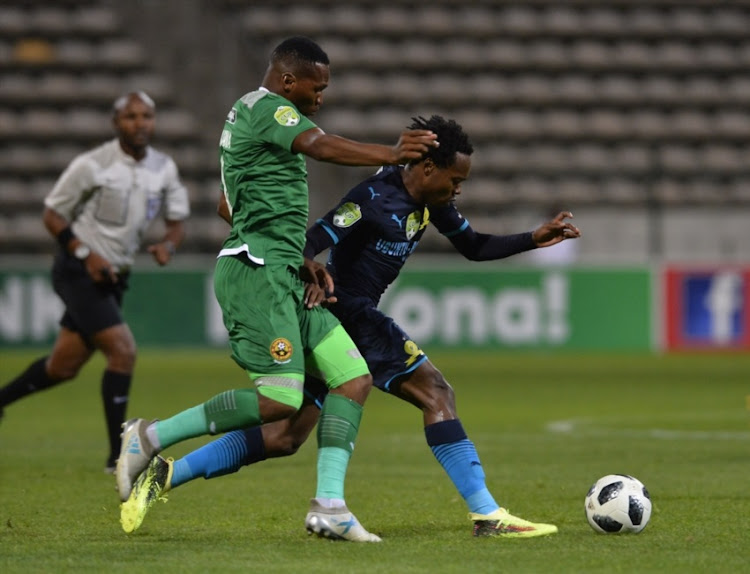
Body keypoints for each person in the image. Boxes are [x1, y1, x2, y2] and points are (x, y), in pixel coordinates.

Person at [121, 115, 581, 538]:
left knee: (285, 436)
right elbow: (312, 239)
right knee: (435, 392)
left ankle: (165, 474)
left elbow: (475, 246)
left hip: (344, 318)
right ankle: (486, 513)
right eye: (455, 179)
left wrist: (533, 238)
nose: (457, 190)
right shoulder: (372, 198)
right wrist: (310, 270)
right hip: (348, 313)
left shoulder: (431, 200)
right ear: (425, 170)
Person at [115, 36, 438, 542]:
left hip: (285, 270)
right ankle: (150, 437)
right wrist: (392, 155)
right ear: (289, 80)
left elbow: (229, 204)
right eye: (318, 88)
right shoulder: (267, 108)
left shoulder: (250, 121)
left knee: (352, 378)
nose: (320, 99)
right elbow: (319, 144)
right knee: (280, 403)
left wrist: (298, 255)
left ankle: (329, 506)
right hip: (256, 274)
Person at [0, 91, 189, 473]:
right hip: (77, 269)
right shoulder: (93, 164)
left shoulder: (163, 168)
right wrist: (86, 254)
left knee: (62, 367)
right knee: (123, 351)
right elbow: (53, 215)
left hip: (114, 276)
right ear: (116, 123)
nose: (140, 123)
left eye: (147, 116)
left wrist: (168, 244)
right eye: (131, 116)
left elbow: (176, 220)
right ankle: (116, 457)